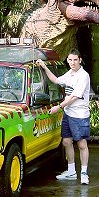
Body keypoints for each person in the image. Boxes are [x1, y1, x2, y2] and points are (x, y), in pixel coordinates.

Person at [36, 49, 91, 185]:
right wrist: (43, 66)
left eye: (75, 60)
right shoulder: (70, 73)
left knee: (82, 144)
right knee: (66, 142)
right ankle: (71, 171)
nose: (72, 62)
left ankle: (84, 173)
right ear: (68, 60)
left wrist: (59, 107)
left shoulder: (83, 75)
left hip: (79, 115)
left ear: (80, 60)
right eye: (70, 60)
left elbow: (73, 97)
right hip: (68, 113)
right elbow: (56, 80)